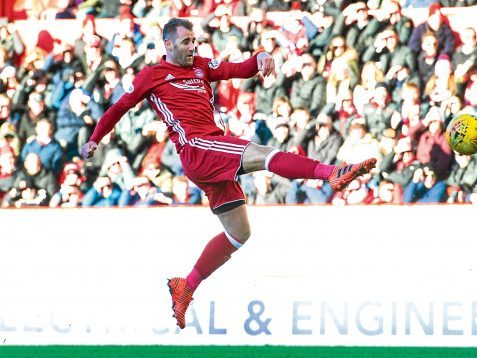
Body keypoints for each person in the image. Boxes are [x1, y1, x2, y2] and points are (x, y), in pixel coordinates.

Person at [80, 18, 376, 330]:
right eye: (185, 42)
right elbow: (118, 108)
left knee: (239, 233)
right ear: (168, 45)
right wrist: (94, 139)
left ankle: (187, 286)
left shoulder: (202, 67)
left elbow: (239, 69)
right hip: (197, 148)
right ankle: (331, 172)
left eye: (194, 40)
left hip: (210, 149)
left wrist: (260, 57)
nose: (192, 46)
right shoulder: (152, 75)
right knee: (261, 153)